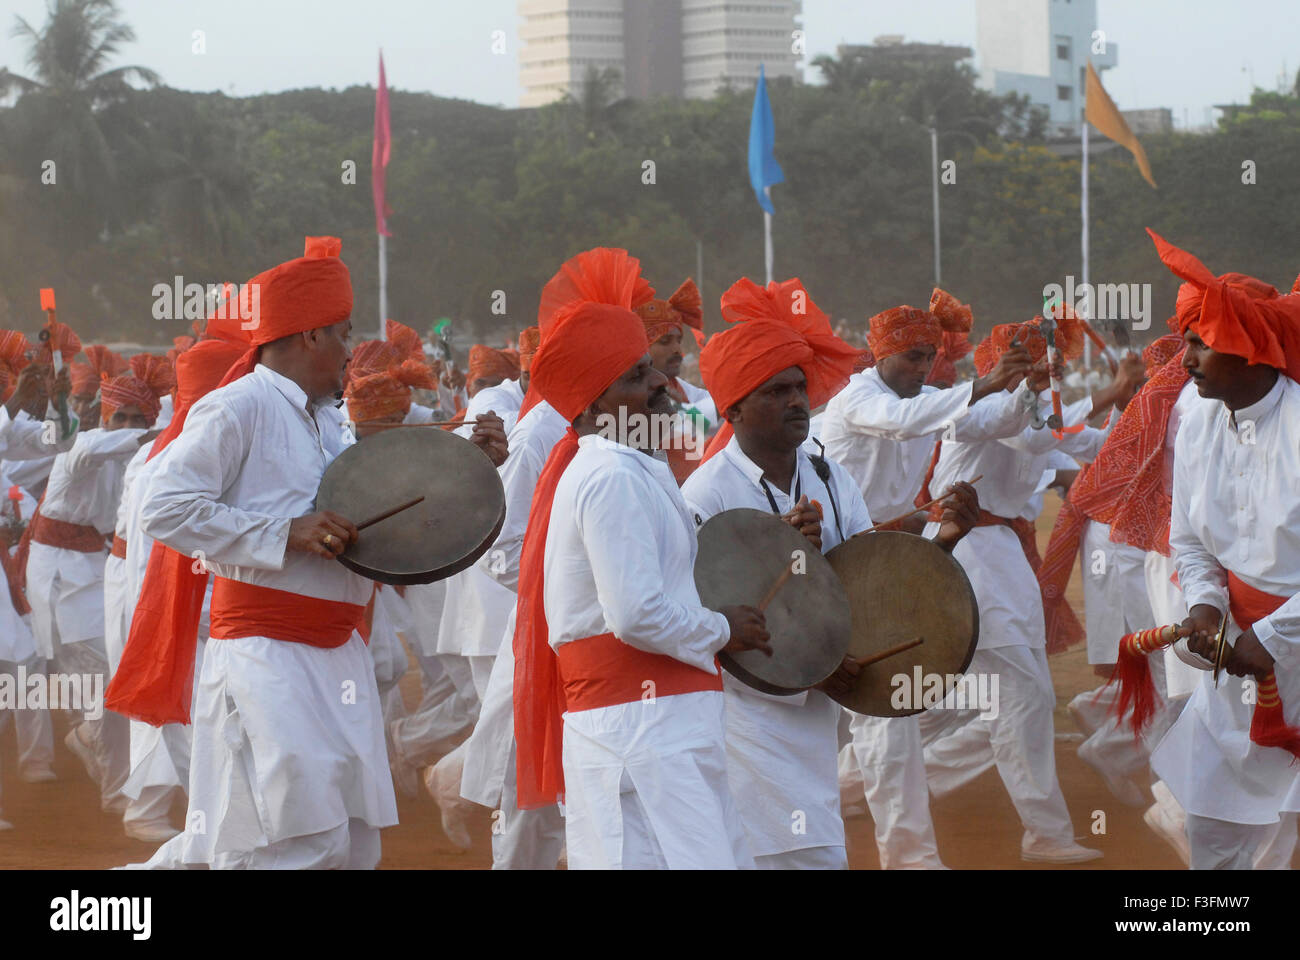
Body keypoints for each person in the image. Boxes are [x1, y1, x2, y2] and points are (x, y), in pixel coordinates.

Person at [114, 236, 398, 869]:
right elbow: (164, 507)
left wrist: (468, 468)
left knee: (351, 845)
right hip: (268, 655)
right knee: (294, 843)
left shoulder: (326, 419)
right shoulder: (236, 405)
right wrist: (284, 533)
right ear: (311, 337)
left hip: (336, 654)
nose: (353, 352)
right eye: (345, 334)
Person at [682, 276, 979, 869]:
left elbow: (863, 583)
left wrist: (944, 540)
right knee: (804, 854)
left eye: (799, 387)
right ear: (734, 407)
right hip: (749, 714)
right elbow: (709, 620)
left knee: (794, 850)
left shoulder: (827, 475)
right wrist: (784, 564)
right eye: (777, 392)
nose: (797, 401)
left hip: (819, 709)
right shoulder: (704, 496)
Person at [514, 290, 771, 869]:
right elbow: (634, 614)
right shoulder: (610, 475)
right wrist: (723, 628)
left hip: (657, 727)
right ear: (596, 402)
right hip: (639, 730)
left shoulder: (631, 467)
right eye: (636, 375)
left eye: (650, 367)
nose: (660, 382)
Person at [815, 292, 1041, 868]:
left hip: (892, 565)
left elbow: (995, 420)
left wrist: (1027, 381)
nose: (921, 370)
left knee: (890, 714)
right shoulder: (858, 398)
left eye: (927, 358)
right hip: (828, 564)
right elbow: (899, 423)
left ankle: (905, 853)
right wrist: (988, 381)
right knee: (871, 721)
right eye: (911, 358)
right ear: (881, 355)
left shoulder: (932, 400)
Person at [919, 311, 1136, 864]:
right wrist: (1112, 390)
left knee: (966, 702)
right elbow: (1026, 430)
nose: (1048, 372)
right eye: (1040, 364)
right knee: (1014, 696)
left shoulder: (1037, 416)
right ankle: (1045, 833)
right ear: (1007, 367)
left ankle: (873, 782)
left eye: (1051, 364)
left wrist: (1139, 399)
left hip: (999, 558)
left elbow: (1092, 448)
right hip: (963, 551)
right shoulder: (978, 411)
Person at [461, 251, 654, 869]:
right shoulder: (540, 433)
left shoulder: (630, 430)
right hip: (548, 637)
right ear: (600, 377)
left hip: (617, 647)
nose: (657, 385)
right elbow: (500, 549)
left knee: (593, 791)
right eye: (639, 371)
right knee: (530, 798)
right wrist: (582, 588)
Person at [1143, 230, 1300, 869]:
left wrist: (1275, 638)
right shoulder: (1195, 412)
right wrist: (1206, 605)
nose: (1186, 358)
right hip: (1232, 648)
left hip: (1285, 643)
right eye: (1187, 340)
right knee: (1212, 821)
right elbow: (1188, 535)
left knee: (1286, 830)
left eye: (1201, 343)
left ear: (1254, 351)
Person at [27, 351, 172, 814]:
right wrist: (161, 433)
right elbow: (95, 448)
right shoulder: (84, 446)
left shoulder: (138, 462)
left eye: (137, 417)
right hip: (55, 576)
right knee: (100, 683)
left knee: (113, 682)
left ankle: (91, 745)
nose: (128, 424)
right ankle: (114, 788)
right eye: (120, 416)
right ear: (104, 416)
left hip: (97, 571)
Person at [636, 278, 715, 483]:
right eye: (665, 342)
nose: (677, 350)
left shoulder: (695, 395)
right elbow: (693, 424)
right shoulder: (627, 399)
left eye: (679, 341)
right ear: (641, 347)